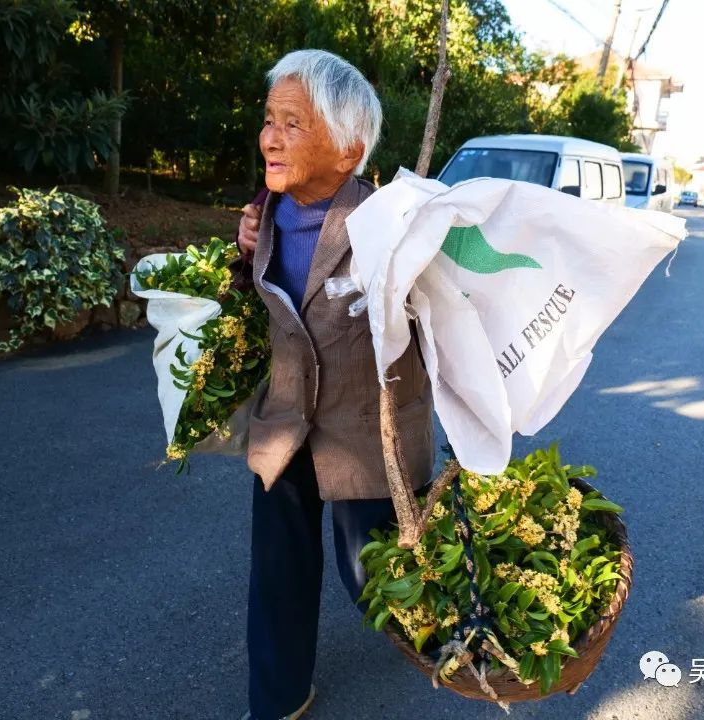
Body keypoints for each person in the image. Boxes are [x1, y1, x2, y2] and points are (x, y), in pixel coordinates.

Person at [234, 49, 434, 720]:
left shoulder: (389, 223)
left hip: (363, 433)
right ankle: (279, 699)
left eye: (292, 123)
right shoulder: (265, 212)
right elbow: (266, 298)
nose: (269, 137)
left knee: (374, 577)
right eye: (269, 120)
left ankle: (466, 645)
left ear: (348, 150)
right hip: (286, 424)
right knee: (278, 574)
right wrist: (242, 255)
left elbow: (443, 319)